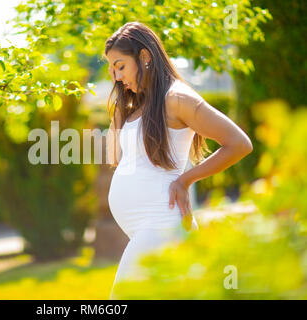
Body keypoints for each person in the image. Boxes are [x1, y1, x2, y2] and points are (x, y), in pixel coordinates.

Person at [104, 22, 253, 299]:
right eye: (112, 69)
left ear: (145, 57)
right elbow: (115, 158)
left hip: (161, 222)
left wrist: (186, 179)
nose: (116, 76)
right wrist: (119, 114)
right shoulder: (139, 105)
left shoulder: (177, 98)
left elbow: (239, 144)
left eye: (121, 66)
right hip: (144, 228)